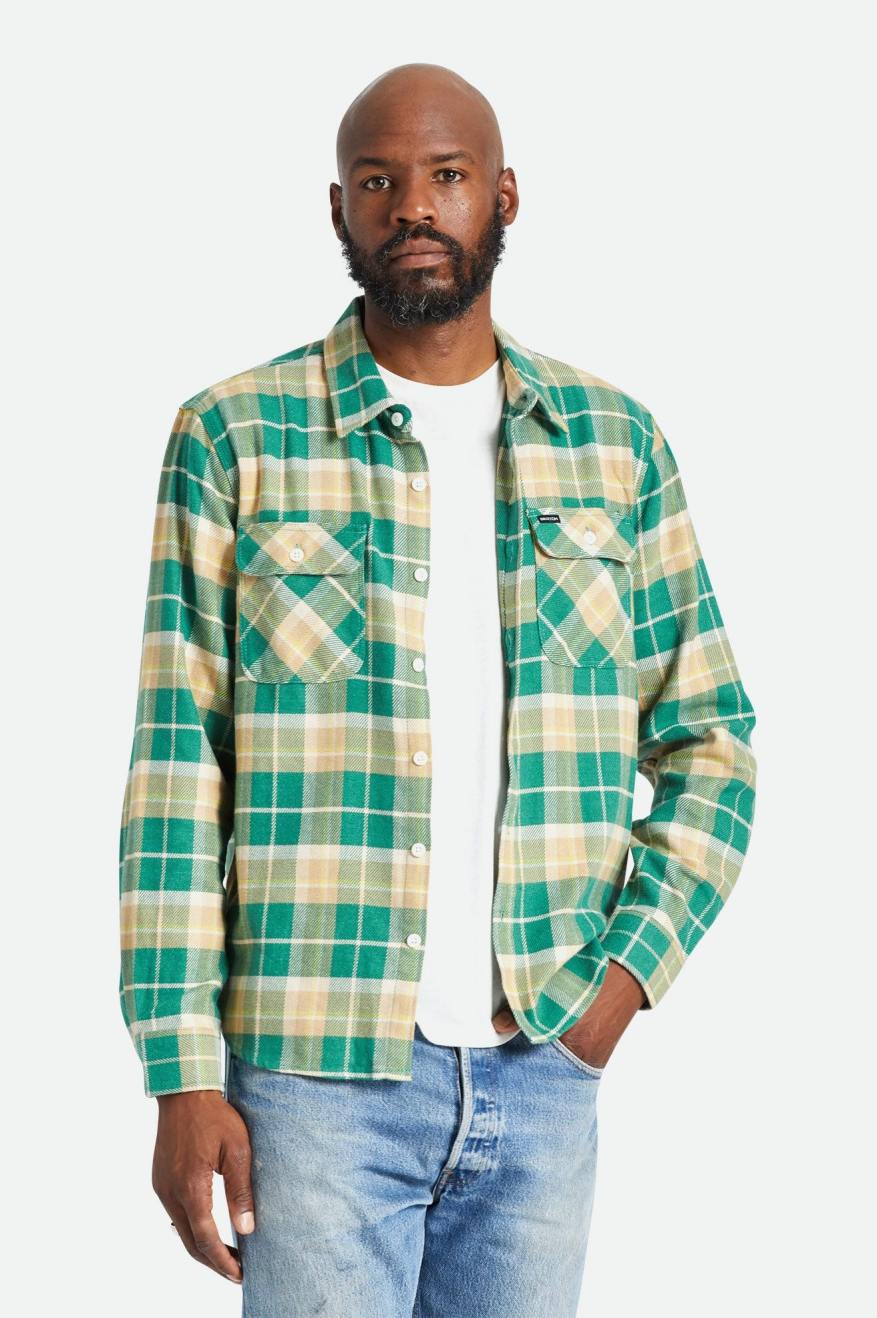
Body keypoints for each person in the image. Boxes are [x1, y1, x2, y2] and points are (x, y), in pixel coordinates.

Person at [118, 61, 758, 1318]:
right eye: (378, 181)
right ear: (339, 210)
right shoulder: (235, 436)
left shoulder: (614, 445)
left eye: (447, 176)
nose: (413, 205)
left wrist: (621, 981)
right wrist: (181, 1069)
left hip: (544, 1063)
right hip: (312, 1077)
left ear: (502, 195)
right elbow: (178, 769)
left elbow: (712, 742)